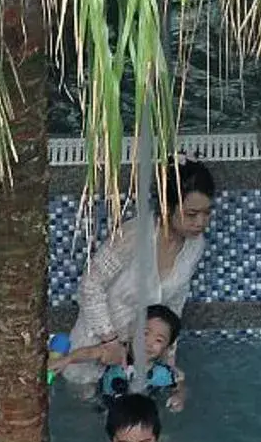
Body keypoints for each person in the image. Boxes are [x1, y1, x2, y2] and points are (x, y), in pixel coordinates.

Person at [56, 161, 215, 402]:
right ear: (166, 206)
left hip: (144, 356)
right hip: (96, 347)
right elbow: (90, 286)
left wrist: (167, 362)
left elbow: (173, 307)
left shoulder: (195, 245)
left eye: (207, 213)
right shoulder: (133, 236)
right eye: (191, 214)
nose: (201, 223)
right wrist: (110, 342)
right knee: (90, 416)